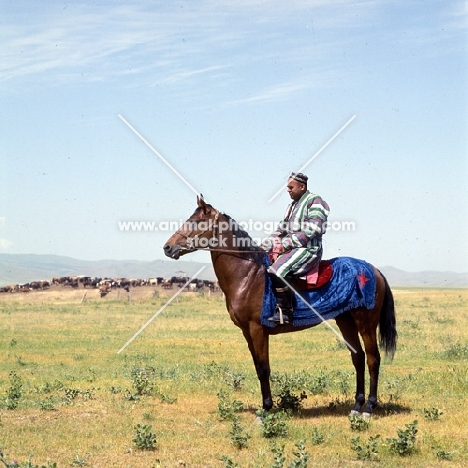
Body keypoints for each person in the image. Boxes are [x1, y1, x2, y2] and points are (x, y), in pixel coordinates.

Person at [263, 172, 330, 324]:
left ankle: (285, 312)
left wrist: (286, 243)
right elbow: (281, 229)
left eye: (291, 187)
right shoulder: (292, 206)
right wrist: (264, 245)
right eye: (287, 187)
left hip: (308, 249)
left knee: (276, 271)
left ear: (302, 186)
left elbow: (314, 229)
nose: (288, 190)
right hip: (293, 249)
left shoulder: (315, 201)